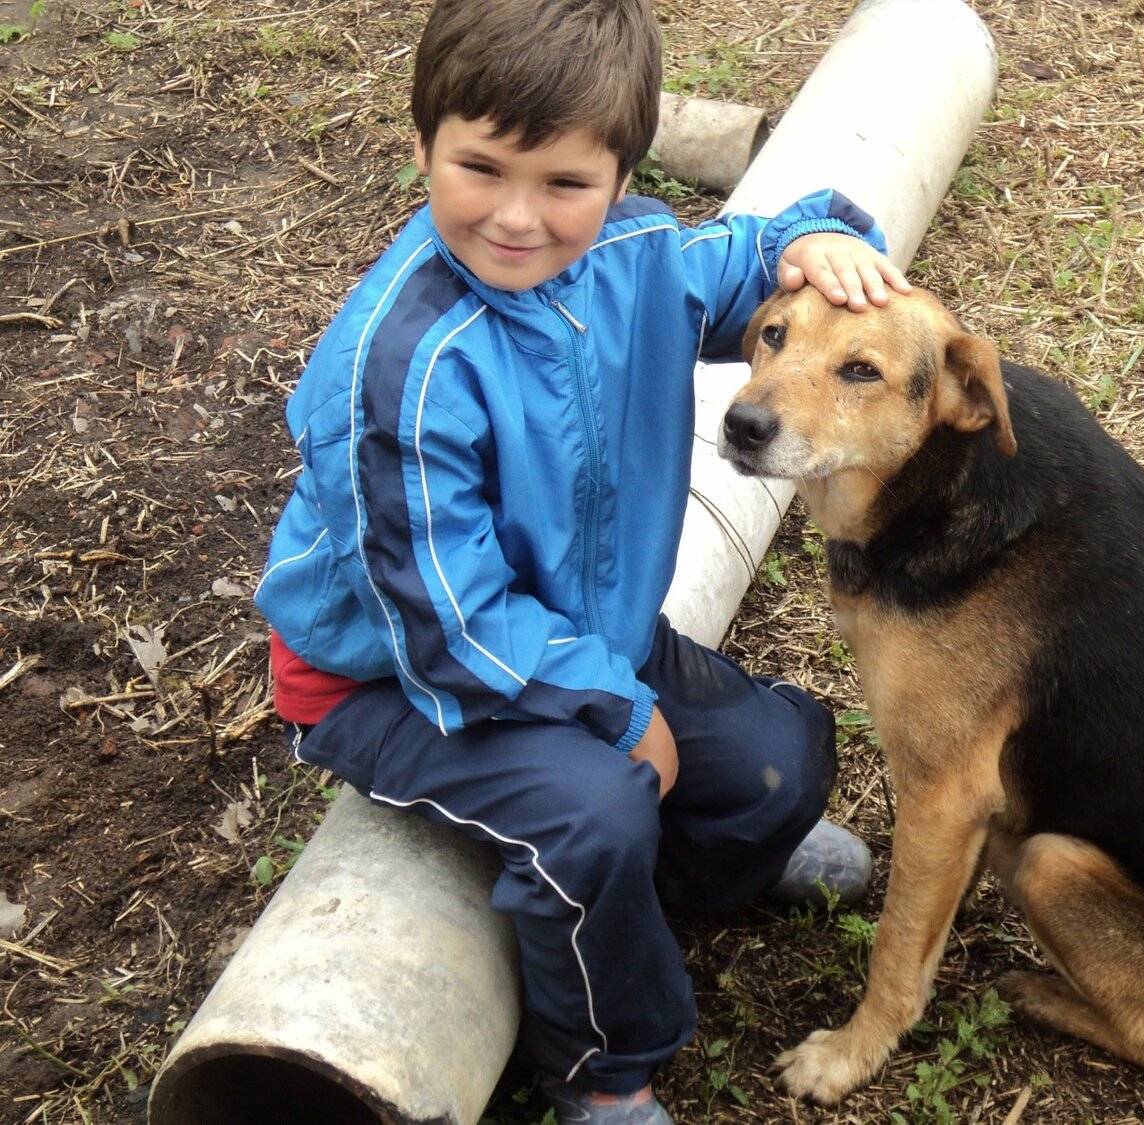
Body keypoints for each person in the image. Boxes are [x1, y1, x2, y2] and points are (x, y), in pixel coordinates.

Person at [253, 0, 909, 1120]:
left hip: (578, 625)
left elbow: (740, 263)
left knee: (780, 762)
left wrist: (810, 240)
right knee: (590, 813)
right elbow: (447, 623)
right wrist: (613, 706)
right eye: (480, 168)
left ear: (621, 178)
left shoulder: (634, 255)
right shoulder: (404, 369)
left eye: (565, 182)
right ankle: (603, 1067)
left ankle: (648, 891)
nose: (518, 217)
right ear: (424, 146)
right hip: (392, 676)